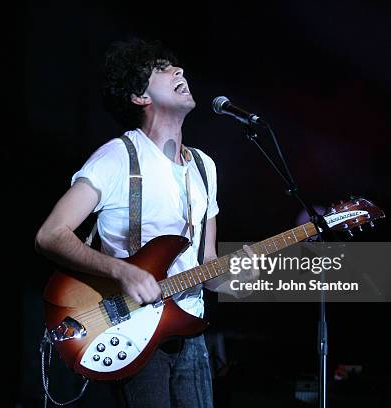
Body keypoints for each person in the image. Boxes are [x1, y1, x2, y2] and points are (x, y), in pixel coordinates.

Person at [36, 38, 253, 408]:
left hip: (189, 329)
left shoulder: (204, 167)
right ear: (139, 96)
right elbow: (50, 234)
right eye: (163, 69)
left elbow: (207, 268)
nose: (179, 71)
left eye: (176, 67)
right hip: (130, 328)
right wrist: (123, 272)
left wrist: (237, 276)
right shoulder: (118, 157)